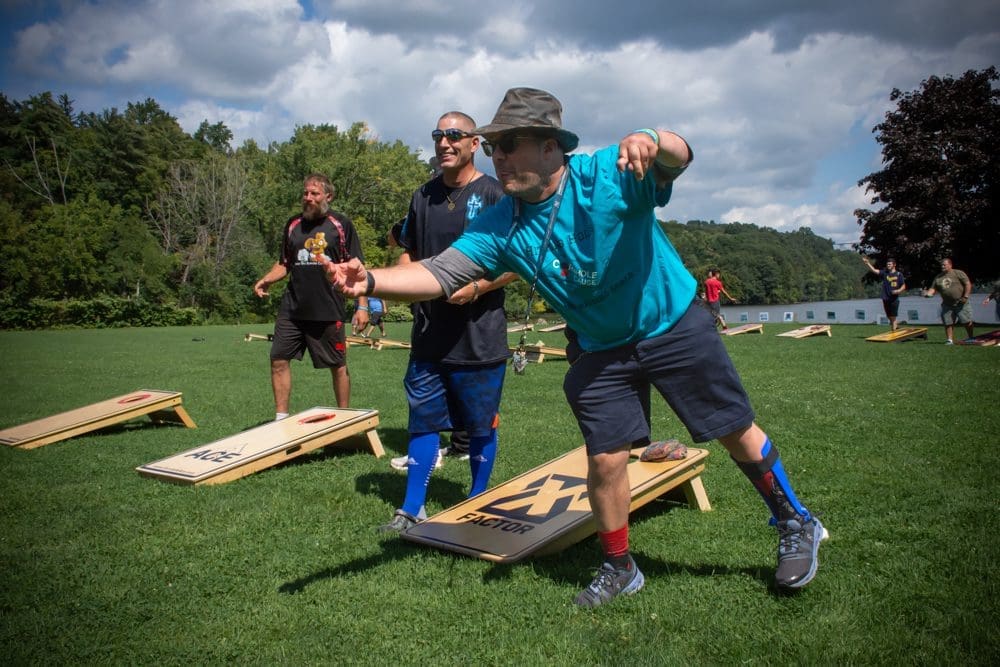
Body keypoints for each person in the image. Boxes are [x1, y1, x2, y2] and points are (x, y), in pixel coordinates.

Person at [324, 87, 827, 606]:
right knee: (606, 460)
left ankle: (794, 521)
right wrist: (369, 283)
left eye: (510, 144)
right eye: (494, 146)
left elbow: (682, 156)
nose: (498, 156)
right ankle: (619, 567)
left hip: (671, 323)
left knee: (733, 431)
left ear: (551, 147)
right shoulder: (502, 222)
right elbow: (439, 272)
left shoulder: (606, 175)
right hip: (601, 348)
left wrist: (653, 138)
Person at [378, 111, 517, 532]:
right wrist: (393, 290)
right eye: (439, 135)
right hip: (429, 332)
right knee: (422, 418)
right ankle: (412, 508)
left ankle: (476, 502)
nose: (444, 142)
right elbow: (408, 252)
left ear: (475, 143)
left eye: (454, 135)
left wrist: (477, 288)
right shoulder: (422, 196)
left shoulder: (497, 195)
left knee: (479, 424)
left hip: (480, 334)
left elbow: (517, 262)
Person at [253, 173, 367, 417]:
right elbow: (284, 263)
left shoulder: (340, 224)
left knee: (337, 365)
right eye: (305, 193)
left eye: (314, 194)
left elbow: (357, 268)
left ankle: (344, 419)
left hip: (327, 309)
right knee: (278, 359)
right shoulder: (293, 225)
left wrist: (362, 306)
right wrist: (266, 279)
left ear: (328, 196)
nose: (308, 198)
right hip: (293, 309)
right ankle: (280, 419)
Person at [923, 257, 974, 344]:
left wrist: (965, 297)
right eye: (941, 265)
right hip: (947, 304)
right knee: (948, 322)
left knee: (966, 321)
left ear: (950, 265)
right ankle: (949, 340)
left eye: (944, 265)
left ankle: (971, 338)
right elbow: (933, 289)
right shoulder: (938, 277)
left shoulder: (958, 273)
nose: (942, 266)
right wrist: (928, 294)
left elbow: (967, 284)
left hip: (961, 302)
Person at [862, 257, 907, 331]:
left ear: (894, 265)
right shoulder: (885, 273)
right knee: (889, 316)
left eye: (890, 264)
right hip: (885, 298)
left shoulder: (899, 274)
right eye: (887, 264)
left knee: (893, 316)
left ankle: (894, 332)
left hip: (894, 299)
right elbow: (874, 271)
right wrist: (867, 263)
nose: (888, 265)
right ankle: (896, 327)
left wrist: (898, 291)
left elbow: (903, 285)